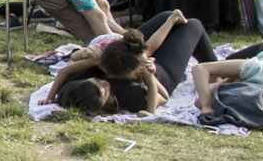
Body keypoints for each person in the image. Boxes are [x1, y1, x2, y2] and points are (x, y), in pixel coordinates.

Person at [51, 10, 215, 115]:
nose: (105, 83)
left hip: (126, 57)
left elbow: (68, 67)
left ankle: (171, 20)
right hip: (160, 75)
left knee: (167, 17)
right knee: (192, 24)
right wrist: (150, 78)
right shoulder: (131, 96)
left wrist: (83, 54)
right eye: (104, 88)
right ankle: (215, 69)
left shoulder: (81, 81)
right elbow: (161, 97)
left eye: (99, 79)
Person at [192, 41, 263, 117]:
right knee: (228, 61)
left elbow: (199, 102)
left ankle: (222, 75)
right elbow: (200, 69)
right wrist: (207, 106)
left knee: (224, 68)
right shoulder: (258, 69)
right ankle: (221, 74)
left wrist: (206, 105)